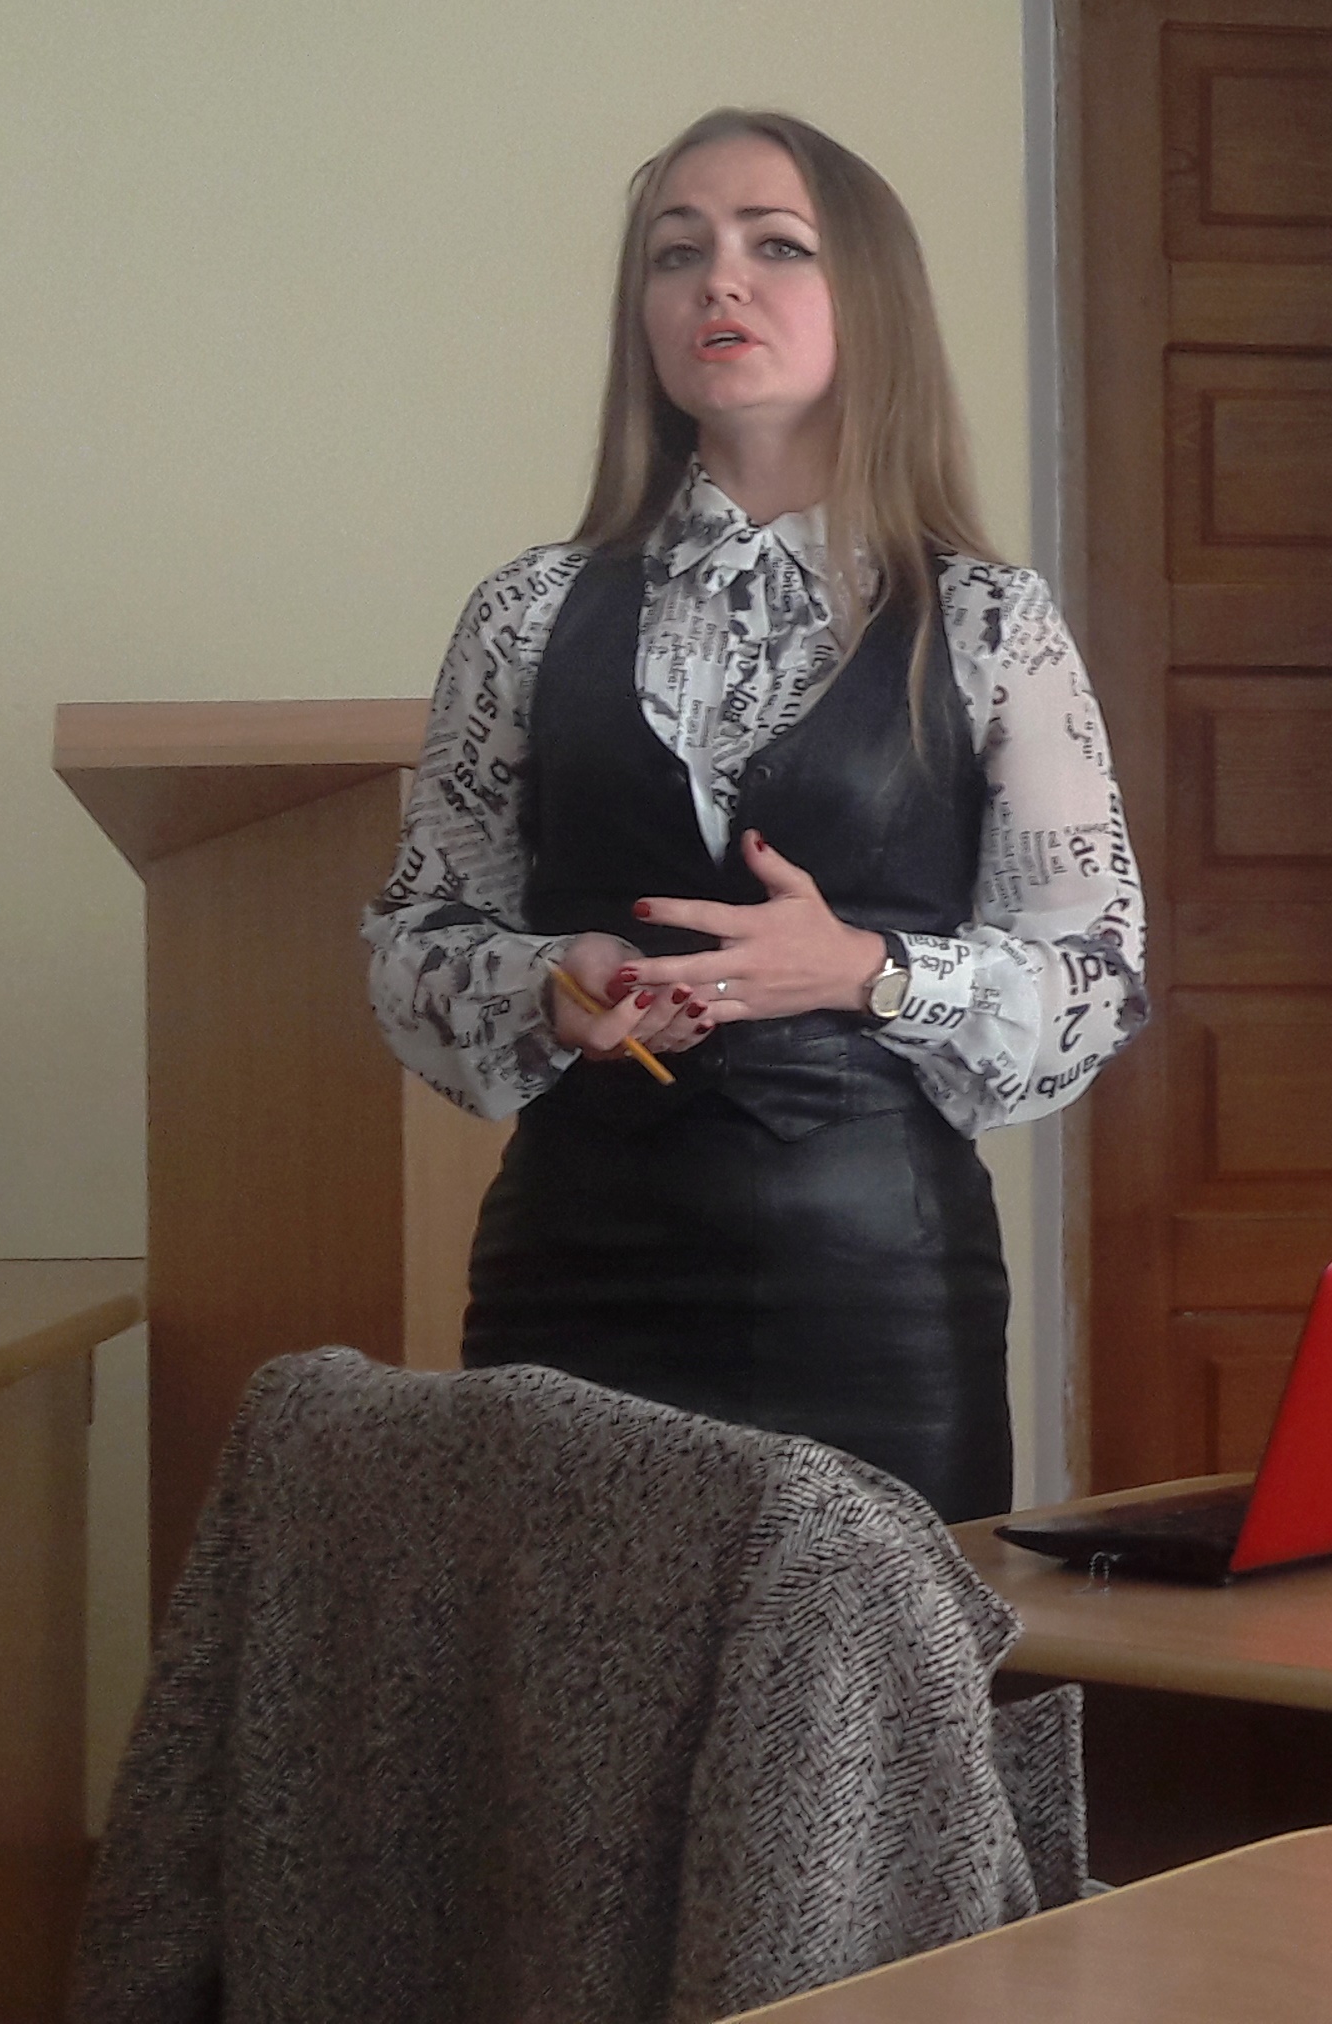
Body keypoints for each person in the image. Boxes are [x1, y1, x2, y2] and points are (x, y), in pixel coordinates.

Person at [363, 109, 1145, 1522]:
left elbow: (1096, 976)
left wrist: (867, 969)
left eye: (776, 246)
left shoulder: (990, 621)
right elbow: (414, 937)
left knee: (868, 1660)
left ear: (871, 299)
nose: (719, 280)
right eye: (678, 254)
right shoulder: (526, 613)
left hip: (873, 1293)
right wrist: (552, 984)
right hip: (574, 1271)